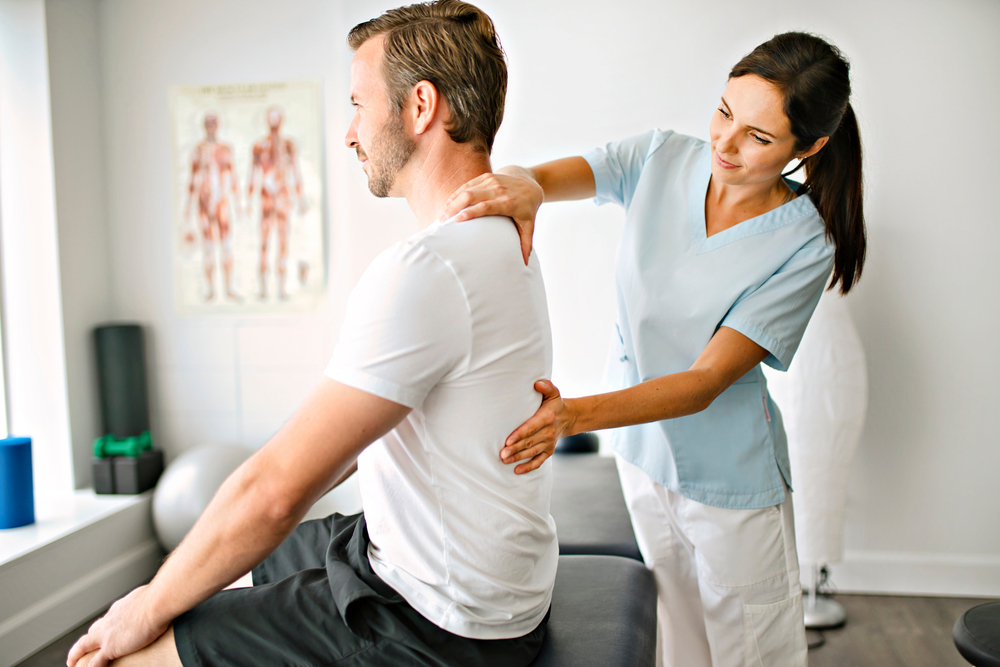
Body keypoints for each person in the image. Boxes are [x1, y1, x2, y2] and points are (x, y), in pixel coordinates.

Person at [68, 2, 556, 666]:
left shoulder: (430, 269)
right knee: (227, 575)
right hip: (471, 585)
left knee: (128, 653)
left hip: (438, 625)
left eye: (358, 105)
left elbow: (275, 495)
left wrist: (146, 605)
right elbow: (346, 446)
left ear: (420, 106)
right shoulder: (504, 238)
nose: (350, 134)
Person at [443, 32, 867, 667]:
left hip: (730, 483)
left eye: (758, 136)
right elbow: (550, 177)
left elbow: (704, 382)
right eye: (724, 112)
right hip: (642, 460)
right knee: (680, 645)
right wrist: (524, 184)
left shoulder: (803, 245)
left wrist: (569, 417)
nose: (725, 143)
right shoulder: (661, 157)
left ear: (808, 148)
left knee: (755, 655)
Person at [245, 106, 306, 301]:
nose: (273, 122)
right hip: (266, 197)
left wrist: (301, 198)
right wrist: (248, 200)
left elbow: (296, 172)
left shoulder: (288, 145)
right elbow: (253, 174)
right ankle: (263, 289)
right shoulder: (259, 146)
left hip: (283, 197)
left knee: (283, 243)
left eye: (276, 118)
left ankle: (281, 289)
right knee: (264, 243)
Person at [182, 113, 241, 302]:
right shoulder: (198, 150)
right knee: (208, 247)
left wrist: (238, 202)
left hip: (221, 201)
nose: (211, 127)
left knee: (226, 245)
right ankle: (211, 290)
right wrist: (188, 204)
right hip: (204, 202)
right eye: (208, 124)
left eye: (213, 123)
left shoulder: (225, 149)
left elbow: (232, 175)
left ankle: (228, 288)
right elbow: (192, 178)